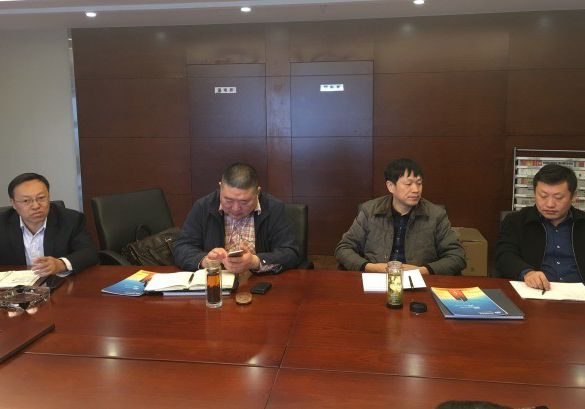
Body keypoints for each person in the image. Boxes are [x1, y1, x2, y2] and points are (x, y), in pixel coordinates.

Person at [335, 158, 466, 274]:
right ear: (391, 186)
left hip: (420, 281)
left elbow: (457, 256)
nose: (416, 190)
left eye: (419, 183)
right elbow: (344, 249)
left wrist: (422, 271)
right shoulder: (370, 210)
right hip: (376, 277)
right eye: (408, 184)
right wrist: (371, 268)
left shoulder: (436, 214)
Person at [174, 163, 299, 274]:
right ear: (220, 187)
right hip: (216, 281)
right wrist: (206, 261)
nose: (235, 208)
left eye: (244, 202)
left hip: (258, 282)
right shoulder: (203, 207)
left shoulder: (274, 208)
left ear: (257, 192)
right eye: (228, 200)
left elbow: (290, 253)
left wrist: (255, 262)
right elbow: (182, 248)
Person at [496, 163, 584, 289]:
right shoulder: (516, 221)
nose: (550, 204)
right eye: (543, 196)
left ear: (573, 196)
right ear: (534, 193)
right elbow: (504, 255)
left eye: (558, 197)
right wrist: (527, 272)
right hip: (534, 291)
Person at [0, 173, 98, 276]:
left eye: (41, 198)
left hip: (60, 282)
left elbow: (89, 253)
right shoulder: (2, 223)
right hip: (15, 284)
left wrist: (61, 264)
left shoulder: (71, 220)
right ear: (13, 203)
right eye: (26, 201)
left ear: (49, 197)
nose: (36, 206)